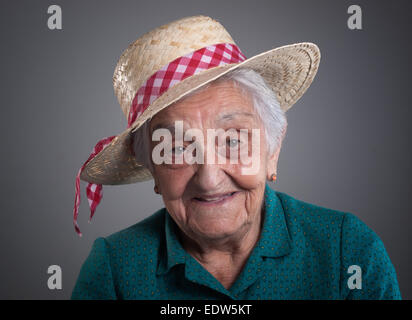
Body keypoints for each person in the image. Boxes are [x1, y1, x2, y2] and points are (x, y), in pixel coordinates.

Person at [71, 15, 401, 299]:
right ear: (153, 169)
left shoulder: (348, 250)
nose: (210, 177)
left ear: (272, 150)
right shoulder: (113, 270)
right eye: (175, 149)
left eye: (232, 140)